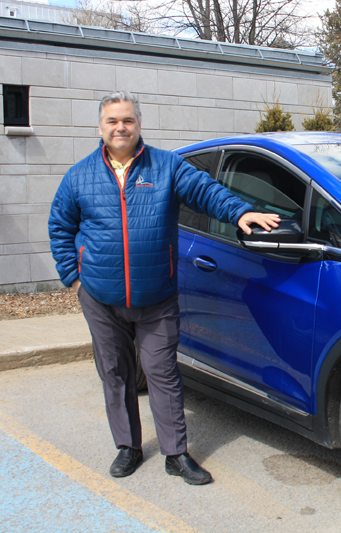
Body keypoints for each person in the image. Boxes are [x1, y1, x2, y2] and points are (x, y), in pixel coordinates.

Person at [48, 91, 280, 485]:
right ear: (100, 127)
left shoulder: (167, 166)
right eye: (112, 121)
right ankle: (128, 447)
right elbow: (60, 227)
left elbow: (206, 192)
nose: (120, 127)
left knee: (164, 374)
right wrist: (73, 276)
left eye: (128, 121)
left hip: (156, 296)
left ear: (139, 124)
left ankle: (176, 454)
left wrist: (241, 211)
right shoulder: (79, 176)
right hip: (101, 299)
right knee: (115, 374)